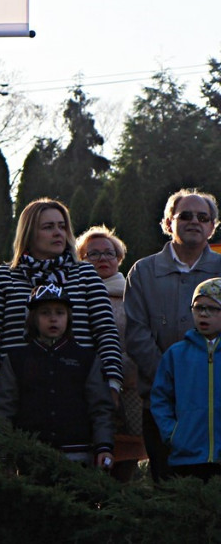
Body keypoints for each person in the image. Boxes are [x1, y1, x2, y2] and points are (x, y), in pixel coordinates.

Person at [0, 198, 122, 406]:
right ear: (29, 233)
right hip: (19, 396)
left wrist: (112, 383)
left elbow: (106, 331)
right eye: (48, 227)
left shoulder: (86, 275)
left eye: (62, 227)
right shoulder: (3, 277)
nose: (58, 233)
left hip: (79, 393)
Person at [125, 188, 221, 481]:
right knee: (169, 495)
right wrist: (172, 380)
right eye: (185, 216)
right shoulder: (143, 272)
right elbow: (137, 335)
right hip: (162, 409)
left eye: (203, 217)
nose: (195, 222)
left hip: (215, 409)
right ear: (168, 223)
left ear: (212, 226)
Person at [0, 284, 114, 468]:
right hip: (29, 457)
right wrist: (3, 455)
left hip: (78, 456)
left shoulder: (86, 359)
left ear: (69, 318)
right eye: (45, 313)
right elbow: (4, 410)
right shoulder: (16, 359)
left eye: (60, 312)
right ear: (32, 319)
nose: (53, 319)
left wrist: (104, 446)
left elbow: (100, 408)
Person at [76, 225, 145, 480]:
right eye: (93, 254)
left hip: (127, 397)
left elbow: (142, 344)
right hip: (81, 397)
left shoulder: (134, 297)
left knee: (123, 477)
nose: (103, 259)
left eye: (109, 253)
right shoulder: (71, 296)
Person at [150, 278, 221, 482]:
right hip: (187, 455)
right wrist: (173, 434)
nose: (204, 314)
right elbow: (161, 399)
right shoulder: (176, 354)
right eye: (198, 308)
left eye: (213, 309)